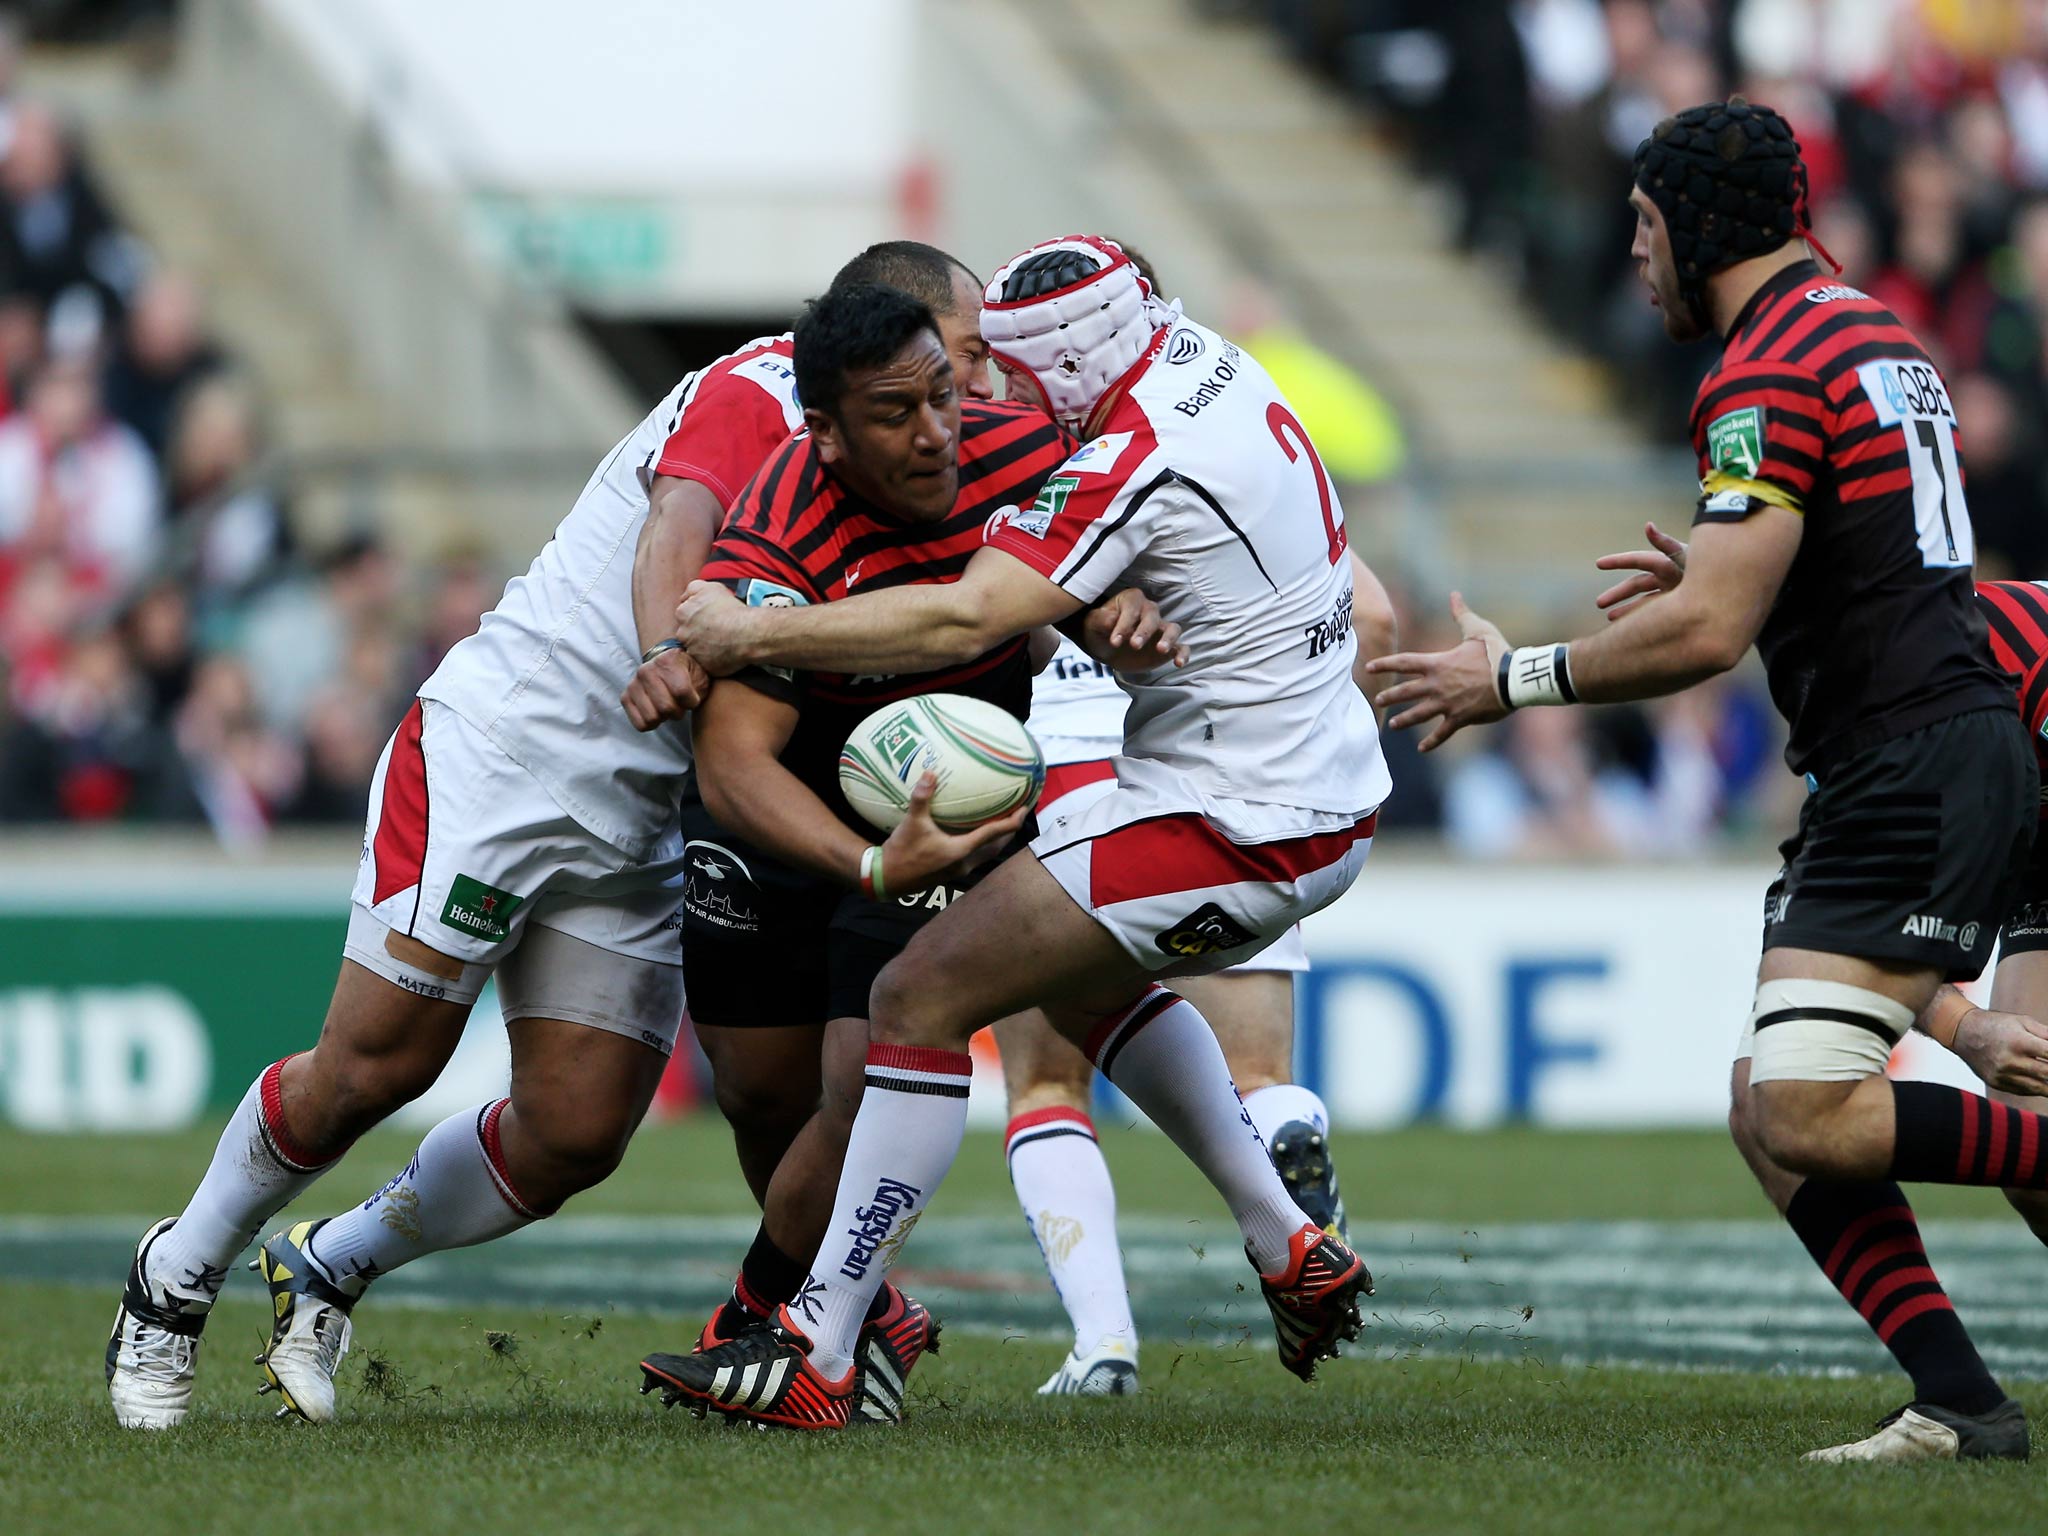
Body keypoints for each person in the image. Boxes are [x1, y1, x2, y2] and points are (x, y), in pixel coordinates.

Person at [102, 240, 990, 1432]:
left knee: (575, 1132)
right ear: (880, 336)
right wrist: (667, 650)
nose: (972, 390)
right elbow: (676, 527)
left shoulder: (903, 452)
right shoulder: (762, 392)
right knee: (374, 1071)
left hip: (636, 818)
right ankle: (175, 1275)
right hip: (506, 760)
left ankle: (330, 1263)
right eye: (959, 356)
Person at [1366, 99, 2040, 1464]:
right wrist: (1760, 586)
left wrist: (1509, 682)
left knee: (1802, 1110)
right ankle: (1964, 1406)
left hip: (1914, 760)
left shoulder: (1764, 368)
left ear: (1692, 227)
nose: (1633, 254)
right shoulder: (1873, 335)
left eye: (1641, 226)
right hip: (1948, 741)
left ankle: (1963, 1400)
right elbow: (1886, 565)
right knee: (1779, 1110)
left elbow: (1705, 635)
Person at [653, 235, 1391, 1430]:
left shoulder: (1122, 452)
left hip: (1238, 815)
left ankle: (820, 1349)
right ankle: (1286, 1240)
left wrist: (750, 637)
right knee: (1079, 995)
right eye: (948, 378)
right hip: (1281, 787)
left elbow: (968, 612)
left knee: (917, 1001)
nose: (978, 400)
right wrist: (1108, 602)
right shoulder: (1199, 365)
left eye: (982, 372)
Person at [638, 279, 1174, 1425]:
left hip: (936, 819)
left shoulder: (1015, 448)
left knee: (861, 1073)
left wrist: (1110, 611)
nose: (937, 429)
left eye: (945, 391)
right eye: (896, 412)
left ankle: (766, 1329)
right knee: (758, 1095)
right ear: (822, 431)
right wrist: (864, 863)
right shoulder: (775, 529)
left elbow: (1086, 570)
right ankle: (867, 1315)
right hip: (787, 824)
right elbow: (735, 766)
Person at [1000, 600, 1391, 1397]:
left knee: (1047, 1083)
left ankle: (1103, 1345)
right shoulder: (1263, 471)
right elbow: (1375, 618)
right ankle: (1286, 1146)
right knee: (1255, 1072)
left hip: (1054, 761)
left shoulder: (1018, 474)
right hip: (1224, 774)